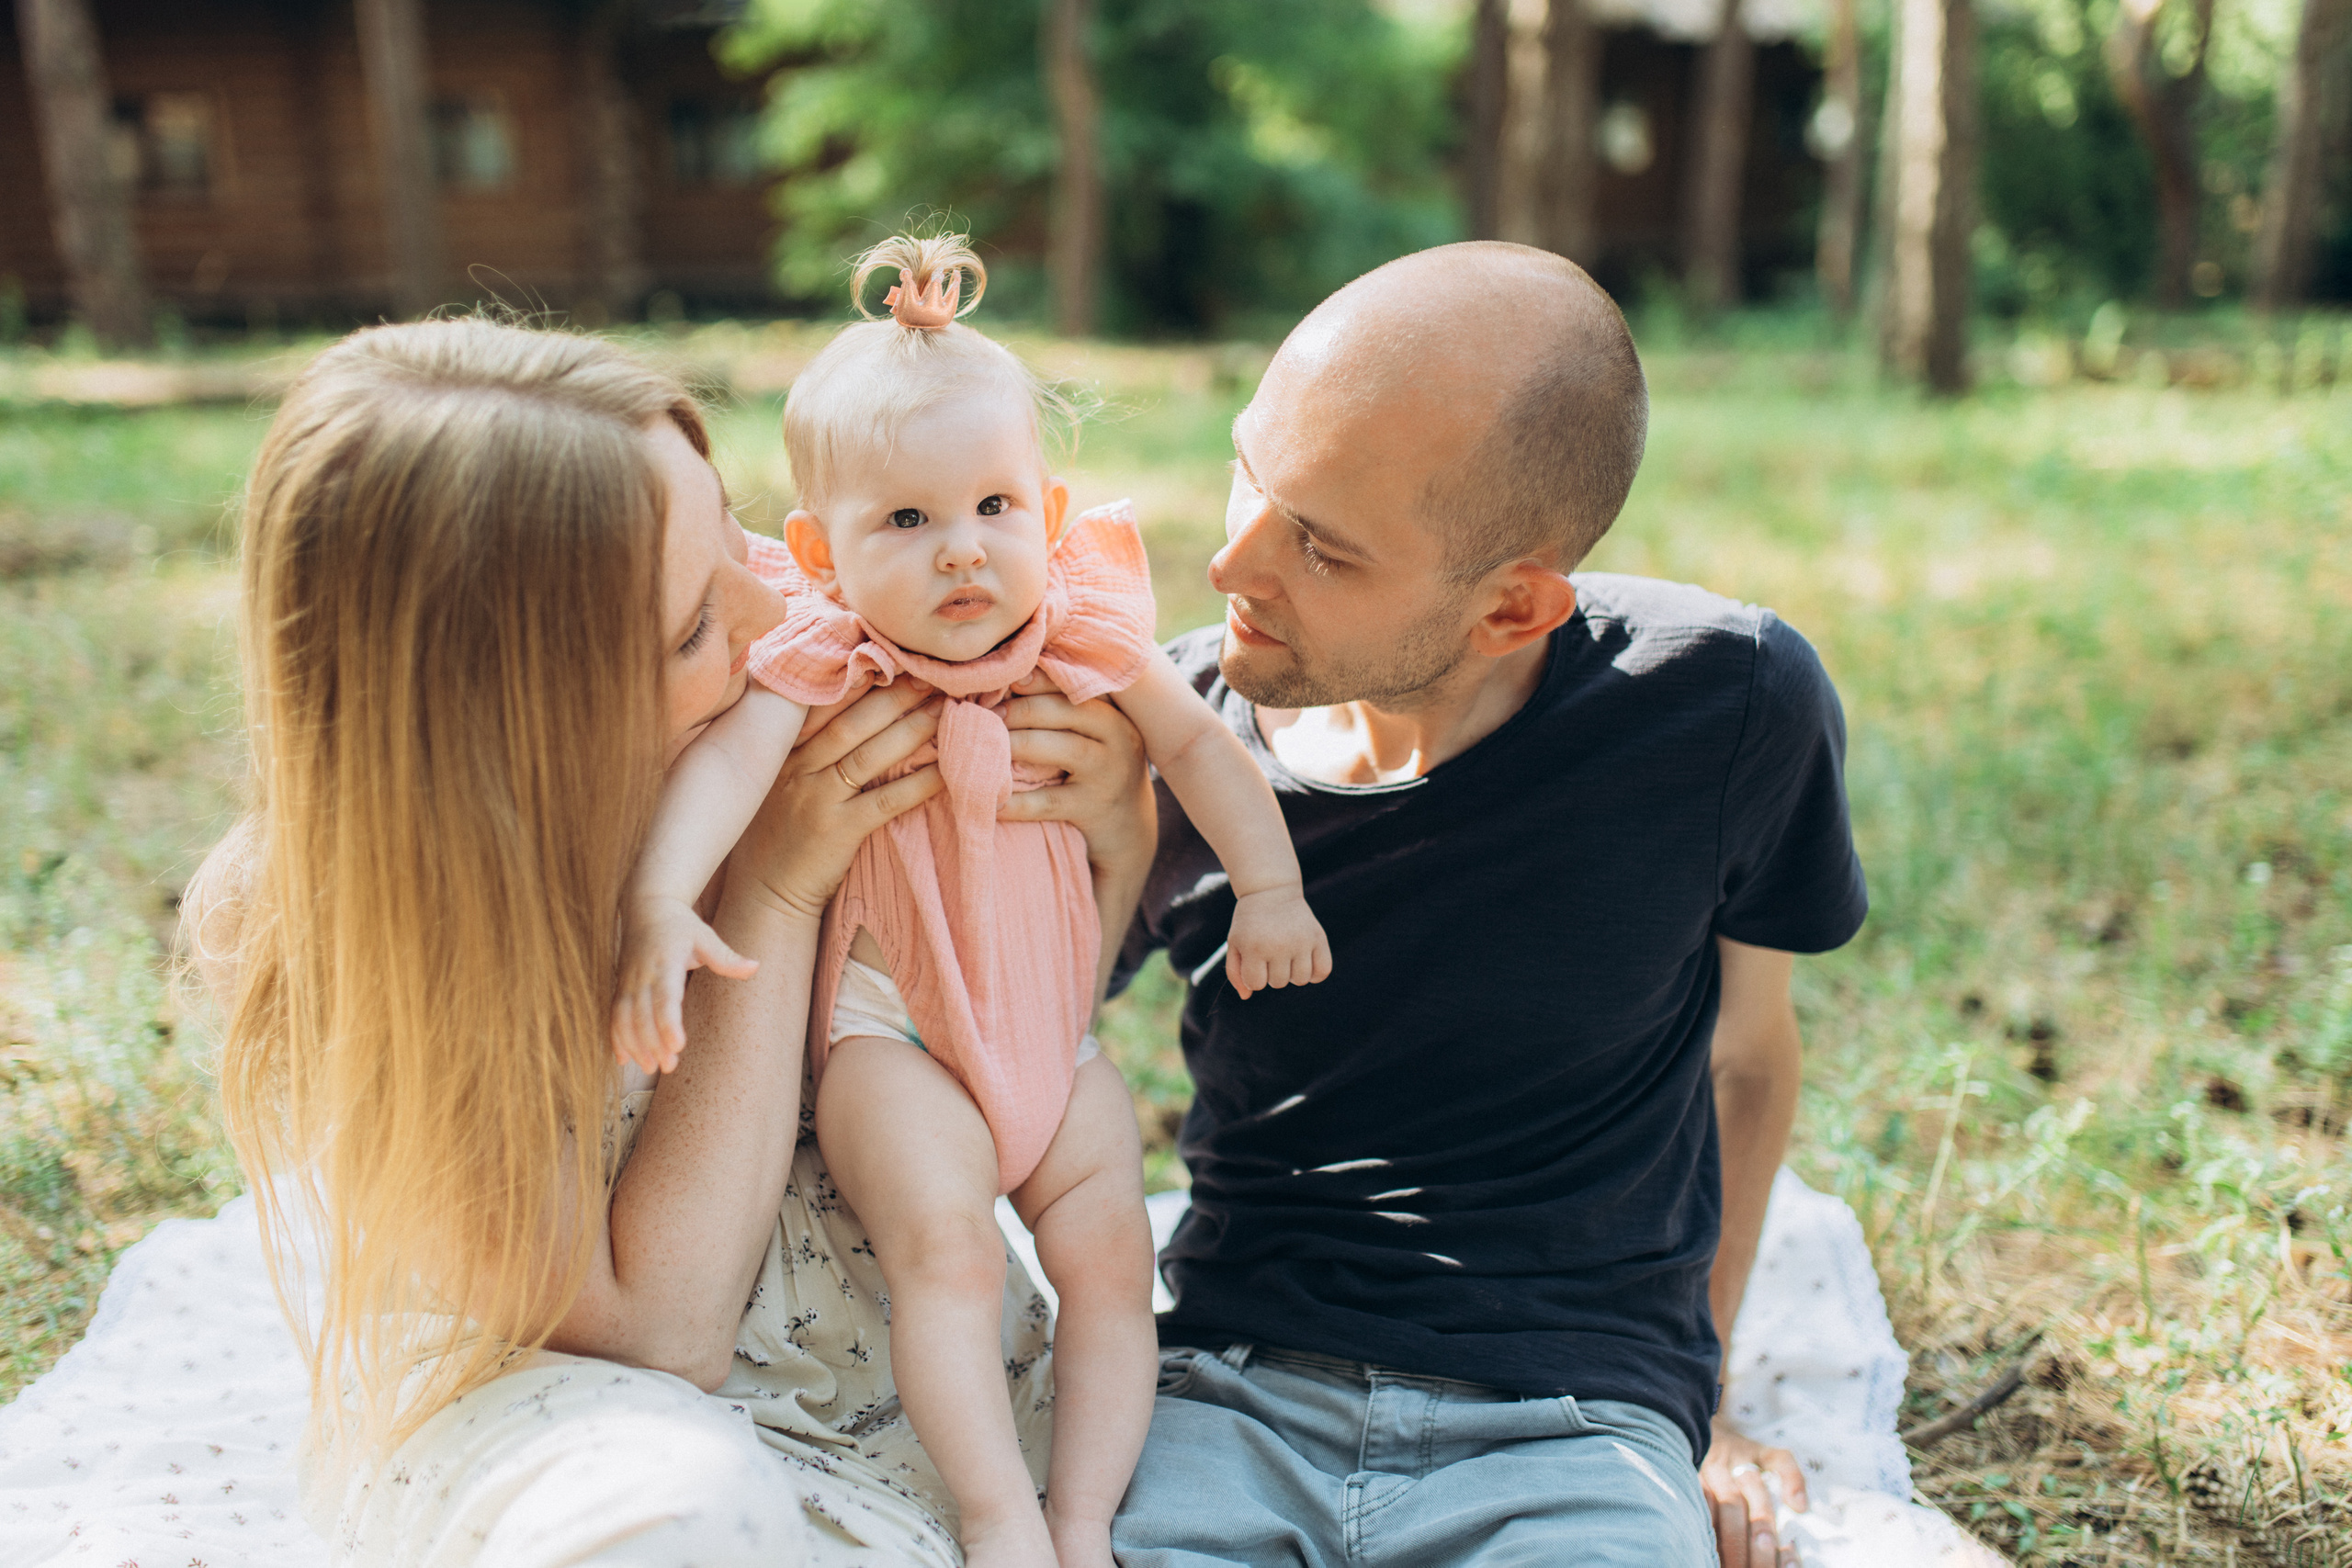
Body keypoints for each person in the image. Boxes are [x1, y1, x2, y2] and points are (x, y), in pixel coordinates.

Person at [182, 317, 1159, 1567]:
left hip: (911, 1394)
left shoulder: (804, 687)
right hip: (594, 1424)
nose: (775, 607)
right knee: (683, 1524)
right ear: (519, 725)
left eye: (740, 532)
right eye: (700, 622)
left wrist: (1108, 830)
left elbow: (1018, 1022)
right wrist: (774, 892)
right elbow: (659, 1332)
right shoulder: (353, 938)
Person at [1107, 242, 1868, 1568]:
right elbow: (981, 1028)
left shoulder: (1728, 707)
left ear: (1513, 604)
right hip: (1225, 1392)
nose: (1231, 564)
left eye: (1322, 548)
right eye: (1250, 472)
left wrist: (1707, 1401)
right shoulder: (1165, 747)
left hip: (1574, 1422)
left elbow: (1751, 1055)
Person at [608, 232, 1329, 1568]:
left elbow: (1206, 750)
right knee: (950, 1255)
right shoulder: (821, 657)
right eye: (908, 521)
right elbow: (721, 776)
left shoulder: (1087, 637)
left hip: (1055, 1044)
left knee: (1115, 1261)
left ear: (1049, 516)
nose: (963, 556)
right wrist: (662, 897)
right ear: (821, 550)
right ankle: (998, 1516)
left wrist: (1271, 888)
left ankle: (1084, 1518)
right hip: (895, 1046)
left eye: (996, 508)